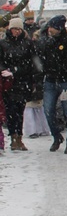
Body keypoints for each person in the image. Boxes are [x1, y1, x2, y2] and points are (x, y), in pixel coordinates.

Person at [38, 15, 67, 154]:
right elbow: (42, 62)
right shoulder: (47, 42)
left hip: (66, 82)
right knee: (48, 111)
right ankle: (56, 136)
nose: (50, 29)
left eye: (52, 27)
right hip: (50, 81)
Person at [0, 17, 41, 151]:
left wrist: (17, 72)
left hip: (23, 81)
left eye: (18, 29)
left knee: (20, 110)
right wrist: (4, 70)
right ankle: (13, 137)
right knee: (10, 110)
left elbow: (33, 63)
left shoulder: (28, 43)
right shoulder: (3, 43)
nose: (15, 32)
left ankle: (19, 137)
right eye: (13, 29)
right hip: (8, 83)